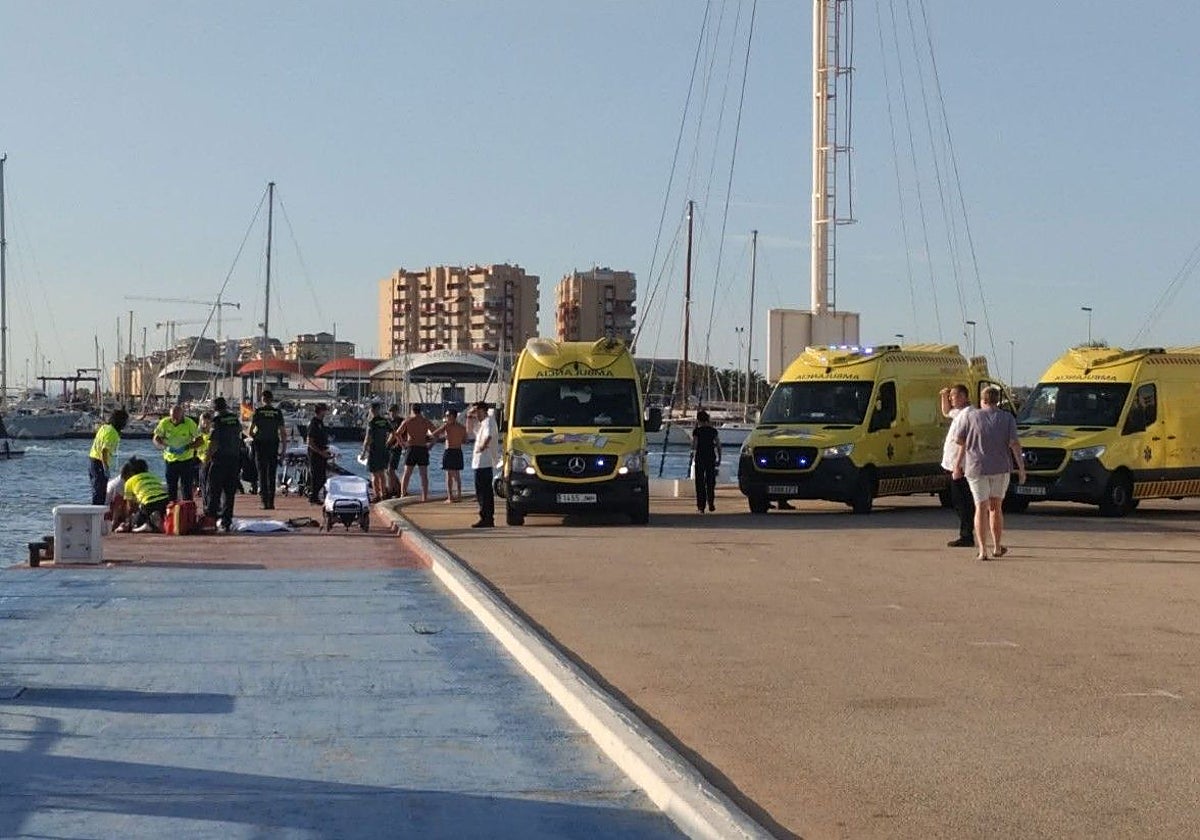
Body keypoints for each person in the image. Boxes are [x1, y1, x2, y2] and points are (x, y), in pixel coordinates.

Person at [953, 386, 1026, 561]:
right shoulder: (1007, 418)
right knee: (996, 508)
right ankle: (997, 546)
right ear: (997, 400)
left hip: (976, 468)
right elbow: (1014, 444)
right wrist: (1021, 468)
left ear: (982, 400)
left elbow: (960, 442)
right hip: (1000, 468)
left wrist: (957, 466)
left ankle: (982, 550)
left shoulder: (971, 416)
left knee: (980, 507)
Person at [940, 384, 976, 547]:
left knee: (963, 502)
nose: (951, 399)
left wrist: (957, 466)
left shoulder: (968, 414)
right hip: (953, 464)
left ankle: (967, 535)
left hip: (961, 466)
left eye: (953, 396)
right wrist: (943, 395)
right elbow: (946, 411)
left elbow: (965, 443)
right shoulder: (959, 413)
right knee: (957, 501)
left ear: (963, 396)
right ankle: (966, 532)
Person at [204, 397, 244, 533]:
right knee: (229, 492)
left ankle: (211, 520)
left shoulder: (217, 421)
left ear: (215, 408)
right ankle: (227, 521)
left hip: (219, 459)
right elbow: (239, 431)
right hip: (234, 458)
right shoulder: (234, 418)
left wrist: (207, 459)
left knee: (214, 491)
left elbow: (213, 442)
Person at [153, 404, 201, 501]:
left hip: (186, 460)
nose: (174, 420)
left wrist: (187, 447)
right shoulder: (164, 423)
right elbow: (156, 438)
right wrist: (164, 446)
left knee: (186, 487)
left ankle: (187, 510)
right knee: (171, 487)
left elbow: (200, 440)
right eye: (173, 418)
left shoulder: (189, 423)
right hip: (170, 460)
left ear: (182, 415)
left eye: (177, 418)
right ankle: (172, 510)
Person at [250, 389, 287, 509]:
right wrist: (283, 450)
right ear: (271, 399)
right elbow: (282, 433)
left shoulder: (258, 412)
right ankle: (271, 502)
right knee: (272, 473)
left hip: (260, 444)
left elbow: (251, 431)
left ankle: (264, 501)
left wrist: (256, 436)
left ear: (262, 399)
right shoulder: (277, 412)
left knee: (262, 472)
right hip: (273, 444)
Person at [395, 403, 436, 501]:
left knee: (407, 473)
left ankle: (402, 495)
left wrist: (403, 445)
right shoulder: (425, 421)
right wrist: (430, 445)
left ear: (412, 410)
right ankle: (424, 497)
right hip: (422, 448)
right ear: (420, 410)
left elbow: (397, 433)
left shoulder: (408, 421)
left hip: (412, 448)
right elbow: (436, 434)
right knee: (423, 474)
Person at [88, 408, 129, 505]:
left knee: (97, 489)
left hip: (92, 461)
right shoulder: (112, 432)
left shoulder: (104, 427)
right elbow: (104, 451)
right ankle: (97, 514)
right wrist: (105, 467)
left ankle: (96, 510)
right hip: (99, 463)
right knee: (100, 492)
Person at [469, 402, 498, 528]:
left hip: (484, 462)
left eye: (476, 411)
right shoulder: (482, 424)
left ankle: (486, 517)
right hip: (478, 462)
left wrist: (482, 446)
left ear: (482, 410)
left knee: (484, 491)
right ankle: (486, 516)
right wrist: (469, 417)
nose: (475, 413)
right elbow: (469, 431)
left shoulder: (489, 421)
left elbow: (489, 436)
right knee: (481, 490)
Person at [124, 457, 170, 533]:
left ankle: (148, 523)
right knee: (159, 510)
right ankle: (156, 519)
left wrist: (128, 519)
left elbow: (130, 506)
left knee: (136, 522)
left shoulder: (129, 482)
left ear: (131, 471)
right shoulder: (153, 477)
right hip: (165, 501)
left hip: (149, 504)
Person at [431, 408, 468, 502]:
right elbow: (465, 441)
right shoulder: (462, 427)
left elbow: (434, 434)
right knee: (457, 474)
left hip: (449, 451)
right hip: (458, 451)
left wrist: (444, 436)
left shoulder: (446, 426)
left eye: (447, 416)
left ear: (453, 417)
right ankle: (459, 495)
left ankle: (450, 497)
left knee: (448, 475)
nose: (446, 417)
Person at [361, 402, 392, 501]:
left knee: (374, 475)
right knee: (382, 473)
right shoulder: (385, 421)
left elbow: (368, 438)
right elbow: (393, 433)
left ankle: (377, 495)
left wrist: (363, 452)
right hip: (383, 450)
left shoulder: (372, 422)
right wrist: (387, 442)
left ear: (372, 410)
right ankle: (384, 493)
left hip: (374, 450)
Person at [691, 409, 721, 513]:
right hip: (711, 458)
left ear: (698, 420)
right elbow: (718, 445)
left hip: (700, 458)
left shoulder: (697, 431)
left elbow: (694, 445)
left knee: (700, 483)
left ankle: (701, 506)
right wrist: (719, 458)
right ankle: (711, 502)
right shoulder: (713, 431)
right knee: (710, 482)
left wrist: (692, 456)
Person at [307, 402, 332, 505]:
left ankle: (314, 495)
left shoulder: (321, 423)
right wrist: (321, 452)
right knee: (317, 477)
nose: (326, 412)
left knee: (322, 477)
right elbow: (310, 442)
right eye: (324, 410)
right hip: (315, 454)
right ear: (320, 411)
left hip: (322, 452)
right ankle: (313, 496)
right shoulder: (314, 423)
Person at [106, 459, 138, 533]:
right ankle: (114, 522)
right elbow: (119, 503)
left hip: (115, 508)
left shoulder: (124, 481)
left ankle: (127, 522)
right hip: (110, 511)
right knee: (121, 499)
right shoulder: (119, 483)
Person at [384, 404, 405, 498]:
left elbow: (396, 434)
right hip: (389, 447)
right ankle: (395, 488)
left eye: (393, 411)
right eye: (390, 411)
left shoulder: (401, 421)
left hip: (396, 447)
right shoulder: (389, 421)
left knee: (390, 470)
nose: (391, 413)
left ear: (397, 411)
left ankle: (396, 490)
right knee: (388, 471)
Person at [195, 411, 214, 505]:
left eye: (208, 422)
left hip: (212, 460)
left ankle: (212, 504)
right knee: (203, 483)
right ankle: (206, 504)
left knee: (211, 484)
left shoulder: (213, 433)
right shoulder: (197, 434)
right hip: (202, 460)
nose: (206, 424)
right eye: (204, 422)